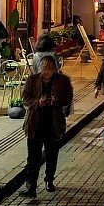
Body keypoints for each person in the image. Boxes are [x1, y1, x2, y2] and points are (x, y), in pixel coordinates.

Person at [20, 55, 74, 198]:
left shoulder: (63, 80)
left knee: (51, 155)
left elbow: (68, 98)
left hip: (53, 123)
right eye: (44, 68)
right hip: (35, 123)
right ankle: (31, 185)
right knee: (33, 157)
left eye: (50, 69)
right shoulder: (32, 80)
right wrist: (38, 102)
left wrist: (57, 101)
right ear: (40, 68)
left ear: (55, 69)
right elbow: (25, 98)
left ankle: (49, 179)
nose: (47, 72)